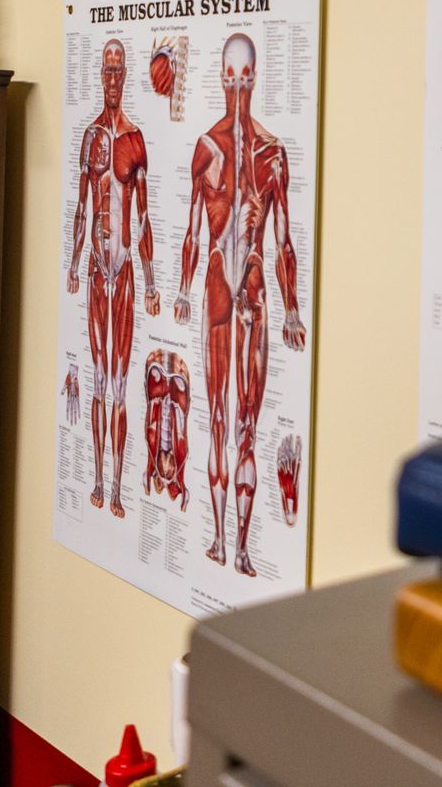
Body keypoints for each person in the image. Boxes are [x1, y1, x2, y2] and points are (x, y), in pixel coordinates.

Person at [175, 32, 306, 577]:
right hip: (215, 286)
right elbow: (192, 230)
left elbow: (283, 239)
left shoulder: (273, 154)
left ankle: (243, 548)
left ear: (255, 79)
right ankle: (218, 540)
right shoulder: (206, 148)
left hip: (252, 286)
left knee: (246, 424)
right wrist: (182, 289)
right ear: (221, 78)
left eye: (245, 77)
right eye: (230, 77)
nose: (237, 88)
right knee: (217, 420)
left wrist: (293, 308)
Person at [67, 39, 162, 518]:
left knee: (119, 383)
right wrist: (72, 263)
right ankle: (98, 481)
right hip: (95, 270)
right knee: (98, 378)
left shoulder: (135, 140)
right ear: (99, 75)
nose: (111, 78)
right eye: (106, 70)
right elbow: (82, 208)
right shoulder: (89, 138)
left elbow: (142, 217)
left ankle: (118, 489)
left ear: (124, 77)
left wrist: (150, 280)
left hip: (123, 270)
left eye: (117, 71)